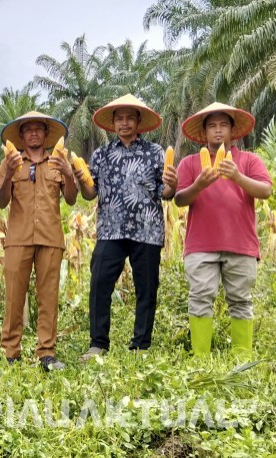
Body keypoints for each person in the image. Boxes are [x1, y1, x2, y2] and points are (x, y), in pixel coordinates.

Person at [75, 94, 178, 361]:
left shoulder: (155, 153)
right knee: (99, 284)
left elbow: (165, 193)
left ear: (139, 121)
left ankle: (140, 346)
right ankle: (98, 343)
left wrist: (173, 183)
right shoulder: (102, 154)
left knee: (146, 288)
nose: (124, 123)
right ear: (112, 123)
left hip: (147, 229)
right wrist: (80, 179)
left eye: (129, 118)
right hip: (110, 229)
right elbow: (90, 193)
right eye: (119, 118)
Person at [175, 102, 271, 356]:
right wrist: (198, 185)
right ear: (204, 133)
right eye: (212, 126)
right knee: (200, 298)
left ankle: (242, 359)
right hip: (200, 246)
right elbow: (179, 199)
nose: (218, 131)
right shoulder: (191, 163)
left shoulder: (249, 160)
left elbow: (265, 190)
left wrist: (237, 176)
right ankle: (201, 358)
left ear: (232, 131)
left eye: (223, 126)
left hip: (241, 244)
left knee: (241, 301)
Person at [0, 111, 76, 371]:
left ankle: (46, 353)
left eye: (38, 129)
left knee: (48, 297)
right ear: (21, 136)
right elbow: (1, 201)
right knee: (14, 297)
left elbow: (72, 198)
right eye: (27, 129)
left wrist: (69, 174)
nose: (33, 133)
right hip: (18, 237)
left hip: (51, 237)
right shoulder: (11, 162)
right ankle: (10, 351)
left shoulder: (58, 162)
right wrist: (8, 172)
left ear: (45, 134)